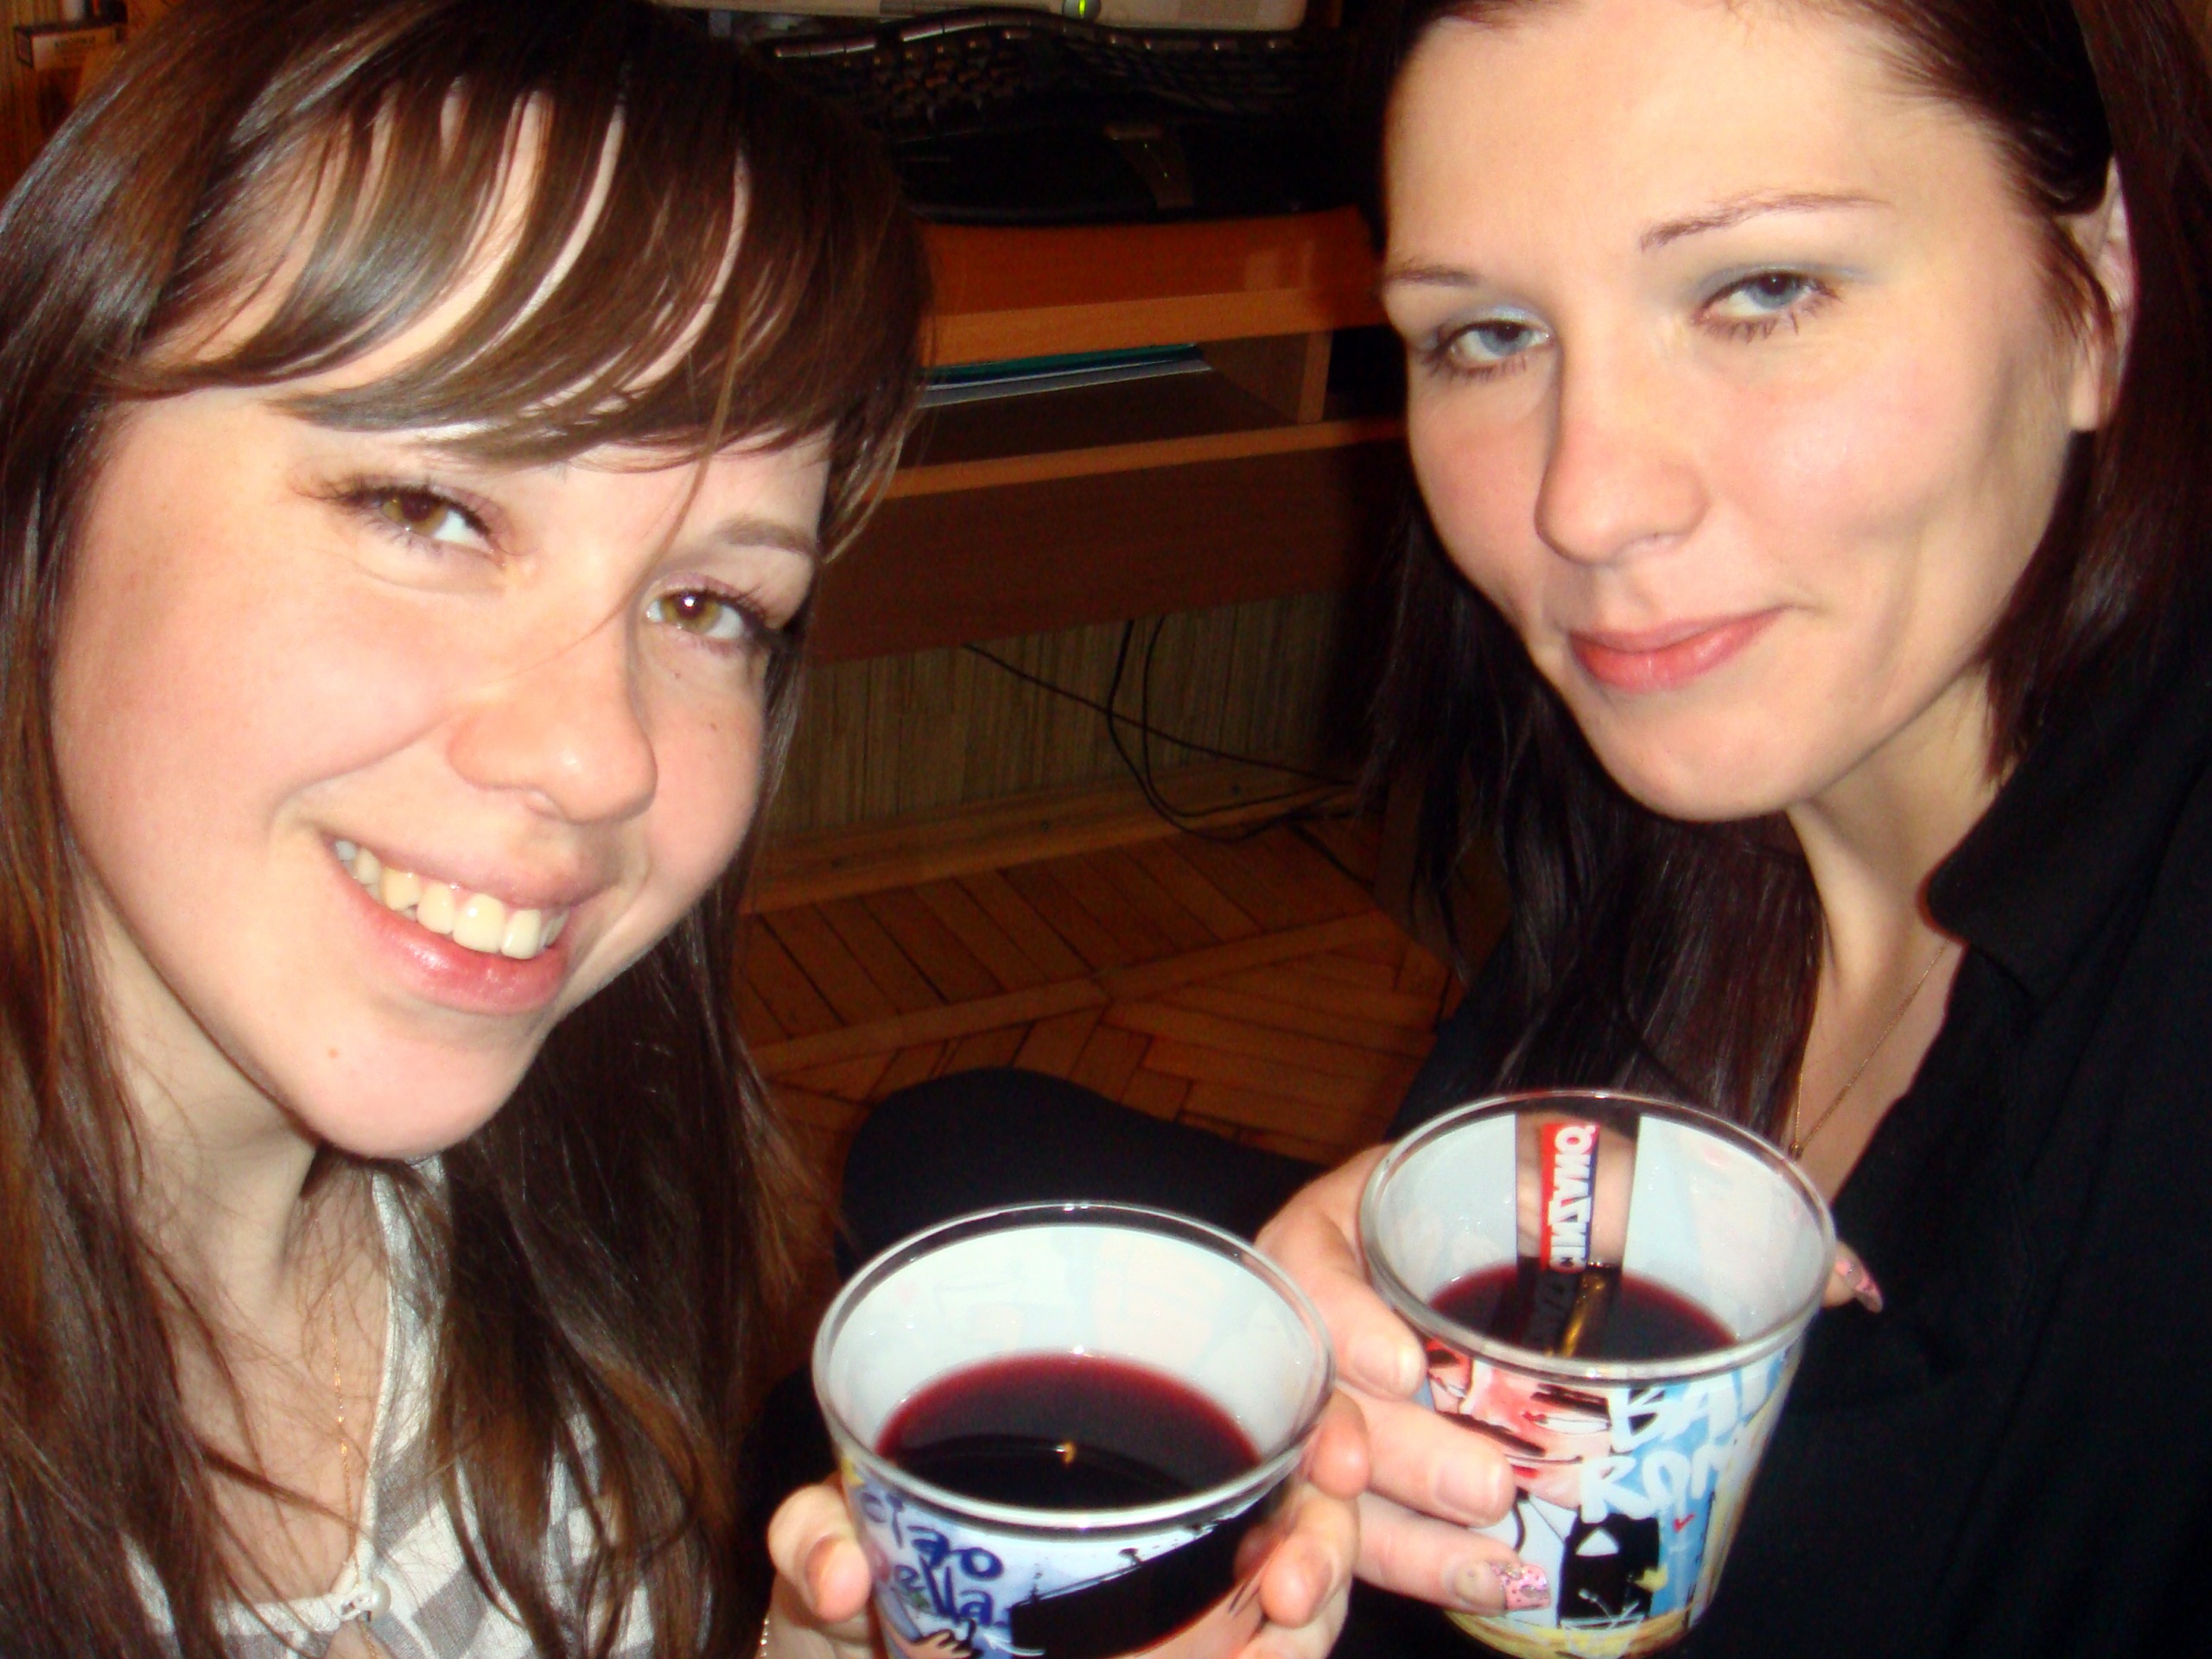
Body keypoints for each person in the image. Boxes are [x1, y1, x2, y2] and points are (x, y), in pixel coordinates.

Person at [0, 3, 1371, 1656]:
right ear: (44, 485)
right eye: (431, 509)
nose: (602, 759)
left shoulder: (540, 1193)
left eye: (709, 602)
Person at [842, 0, 2212, 1651]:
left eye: (1764, 291)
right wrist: (1351, 1358)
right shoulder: (1679, 813)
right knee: (941, 1162)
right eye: (1487, 336)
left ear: (2098, 289)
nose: (1585, 500)